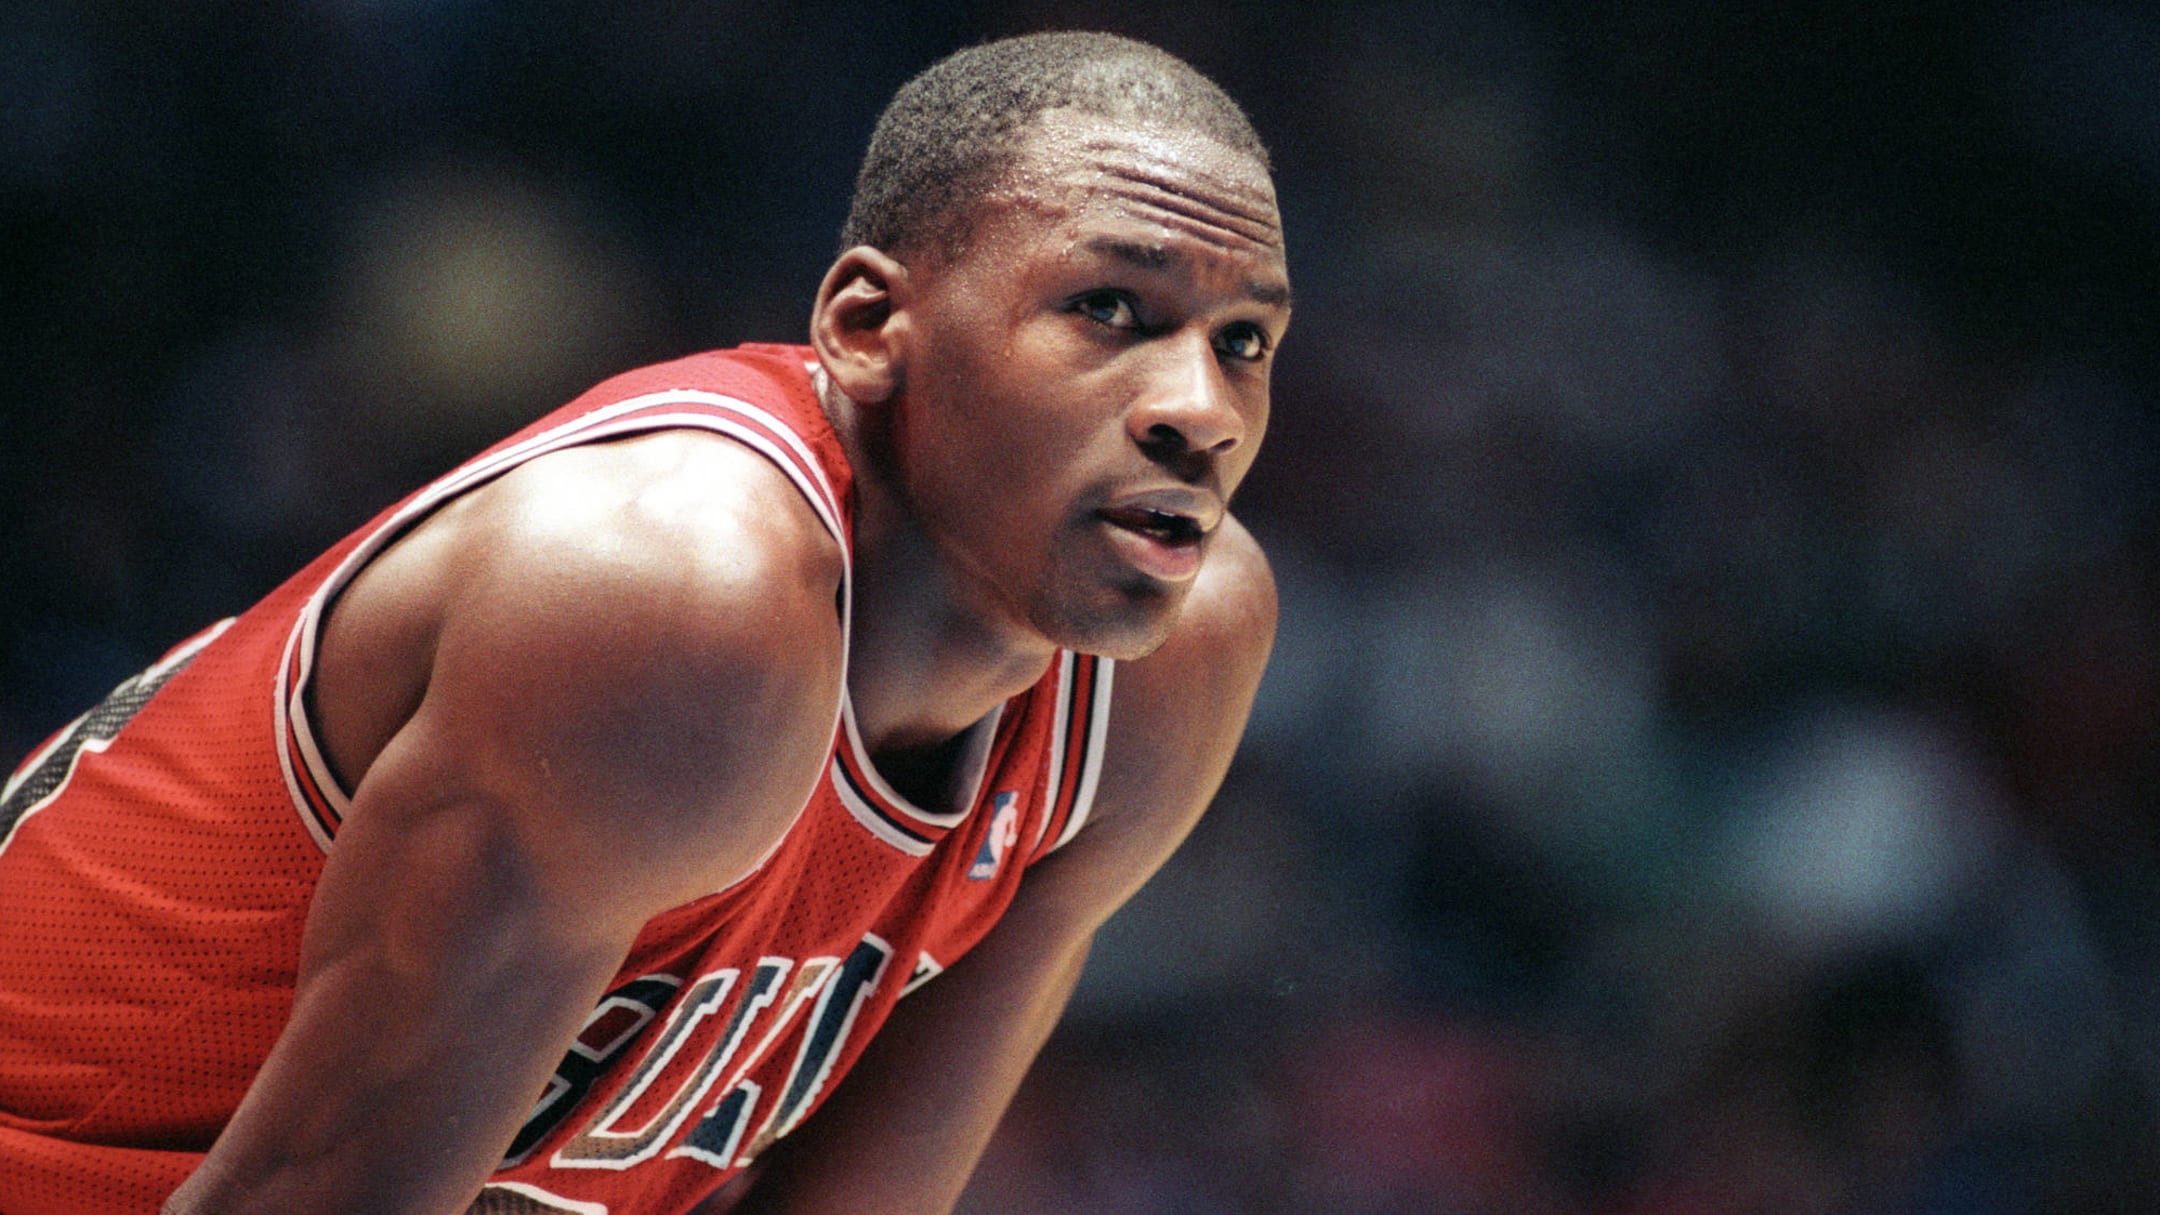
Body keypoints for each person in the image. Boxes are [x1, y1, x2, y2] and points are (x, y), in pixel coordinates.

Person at [0, 29, 1289, 1215]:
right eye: (1109, 310)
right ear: (866, 326)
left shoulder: (1170, 666)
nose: (1203, 409)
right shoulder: (676, 600)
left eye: (1243, 341)